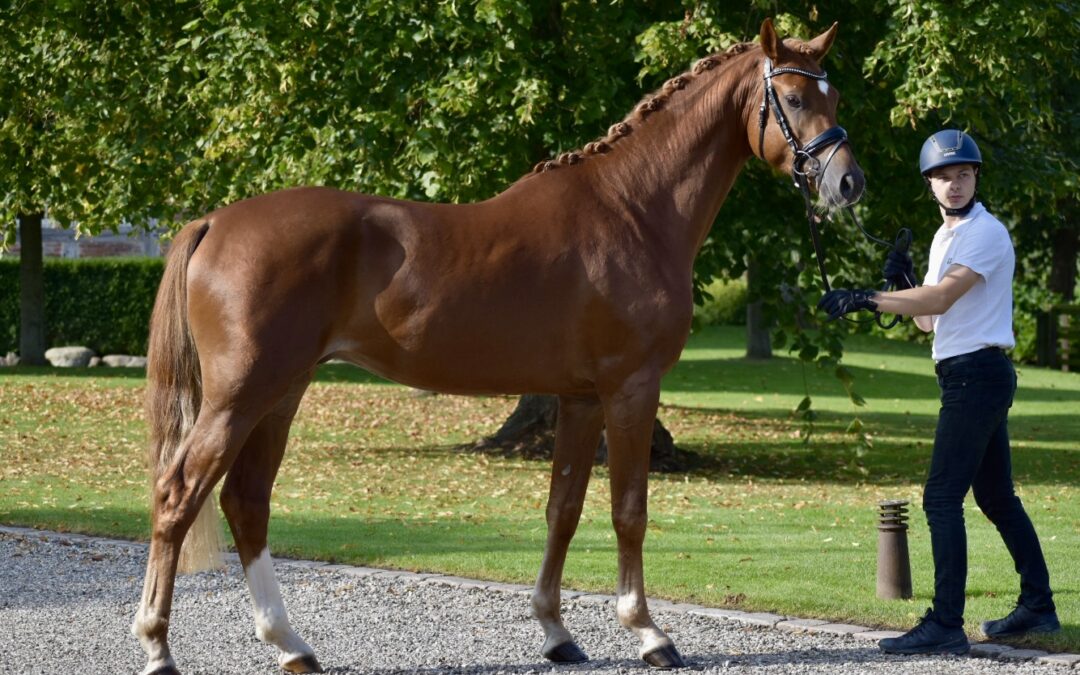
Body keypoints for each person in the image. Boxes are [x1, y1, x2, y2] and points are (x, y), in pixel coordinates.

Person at [818, 129, 1059, 655]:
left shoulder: (984, 233)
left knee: (941, 497)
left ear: (975, 178)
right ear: (929, 183)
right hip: (966, 374)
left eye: (963, 174)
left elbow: (946, 297)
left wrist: (866, 297)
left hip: (978, 374)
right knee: (995, 497)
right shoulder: (944, 237)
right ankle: (1039, 606)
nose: (954, 184)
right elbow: (928, 318)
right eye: (944, 177)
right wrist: (903, 280)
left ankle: (946, 623)